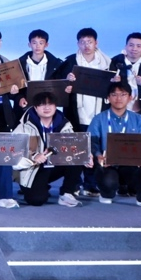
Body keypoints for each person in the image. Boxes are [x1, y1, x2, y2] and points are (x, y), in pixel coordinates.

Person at [88, 82, 141, 208]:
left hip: (130, 163)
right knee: (108, 182)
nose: (118, 98)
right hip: (108, 163)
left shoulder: (138, 119)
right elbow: (91, 142)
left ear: (130, 97)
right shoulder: (99, 119)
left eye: (123, 94)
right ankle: (106, 193)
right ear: (108, 98)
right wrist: (98, 156)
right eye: (114, 95)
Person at [60, 27, 112, 195]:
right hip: (76, 113)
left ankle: (91, 184)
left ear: (96, 43)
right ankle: (74, 184)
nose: (86, 45)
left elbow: (116, 89)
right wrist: (66, 81)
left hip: (98, 113)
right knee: (75, 149)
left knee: (95, 148)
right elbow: (58, 85)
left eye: (89, 41)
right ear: (78, 44)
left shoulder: (108, 63)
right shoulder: (70, 62)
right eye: (82, 42)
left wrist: (116, 81)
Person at [13, 91, 88, 208]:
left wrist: (86, 155)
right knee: (37, 200)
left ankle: (67, 193)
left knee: (78, 155)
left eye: (50, 104)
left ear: (55, 106)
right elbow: (13, 154)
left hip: (55, 166)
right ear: (35, 108)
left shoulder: (64, 124)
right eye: (42, 104)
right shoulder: (24, 127)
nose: (46, 108)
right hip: (34, 169)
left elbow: (75, 147)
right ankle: (37, 187)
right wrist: (33, 157)